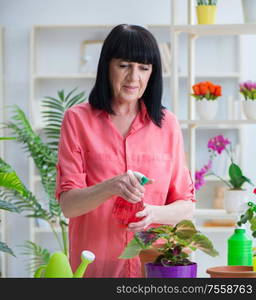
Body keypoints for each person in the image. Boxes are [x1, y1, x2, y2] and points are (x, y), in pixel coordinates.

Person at [55, 24, 196, 278]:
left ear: (153, 73)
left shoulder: (168, 124)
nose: (134, 77)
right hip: (96, 269)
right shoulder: (77, 120)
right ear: (107, 66)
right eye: (124, 65)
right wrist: (111, 186)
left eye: (144, 67)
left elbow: (186, 205)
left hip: (155, 267)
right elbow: (69, 206)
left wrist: (155, 213)